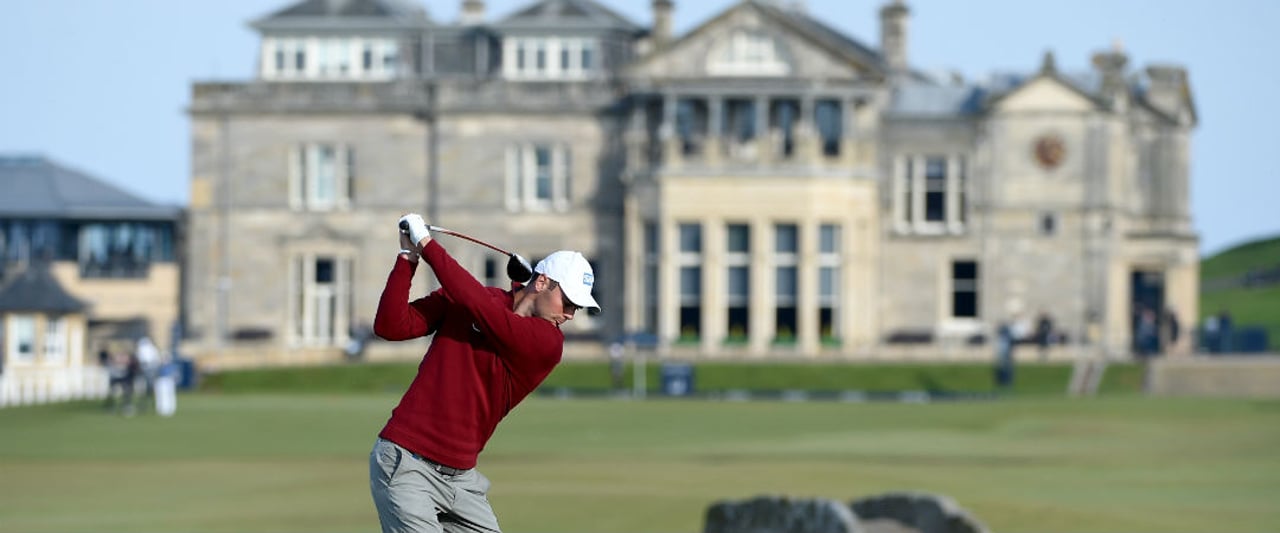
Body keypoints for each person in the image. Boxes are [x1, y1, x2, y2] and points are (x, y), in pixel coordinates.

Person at [369, 213, 599, 533]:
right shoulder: (477, 301)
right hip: (406, 464)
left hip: (462, 482)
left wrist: (427, 244)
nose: (571, 314)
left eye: (578, 307)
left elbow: (481, 306)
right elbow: (391, 326)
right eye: (569, 302)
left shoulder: (547, 343)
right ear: (542, 282)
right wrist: (408, 257)